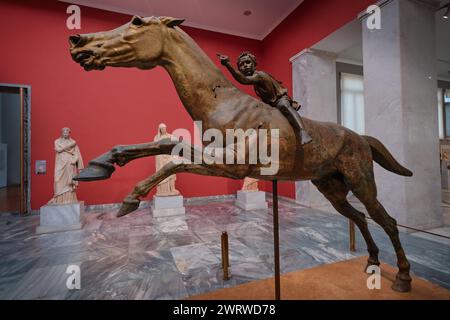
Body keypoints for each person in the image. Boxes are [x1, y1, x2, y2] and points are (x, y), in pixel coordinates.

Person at [217, 51, 312, 145]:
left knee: (283, 106)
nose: (245, 66)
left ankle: (302, 131)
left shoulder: (259, 75)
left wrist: (228, 65)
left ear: (254, 64)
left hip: (279, 100)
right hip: (270, 104)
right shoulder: (255, 80)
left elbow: (244, 80)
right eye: (242, 64)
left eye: (248, 62)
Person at [48, 127, 84, 204]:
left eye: (67, 132)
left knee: (69, 182)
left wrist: (79, 166)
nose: (65, 133)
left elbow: (77, 154)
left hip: (70, 163)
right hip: (60, 164)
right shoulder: (57, 141)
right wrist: (71, 145)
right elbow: (58, 149)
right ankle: (58, 199)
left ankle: (69, 199)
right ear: (61, 133)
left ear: (69, 133)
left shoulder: (73, 142)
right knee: (58, 180)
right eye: (64, 132)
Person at [154, 123, 180, 196]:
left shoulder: (170, 136)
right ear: (159, 130)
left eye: (165, 128)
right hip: (161, 158)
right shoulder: (157, 138)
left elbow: (175, 145)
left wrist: (175, 155)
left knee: (171, 172)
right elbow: (155, 148)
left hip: (169, 156)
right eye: (162, 129)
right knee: (162, 173)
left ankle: (172, 189)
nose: (164, 130)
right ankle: (162, 191)